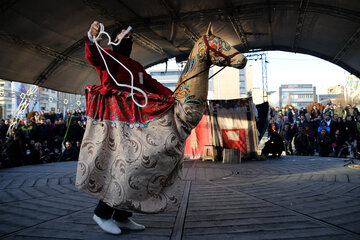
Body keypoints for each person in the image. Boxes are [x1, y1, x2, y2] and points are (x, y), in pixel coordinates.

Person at [83, 21, 173, 235]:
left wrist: (174, 97)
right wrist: (90, 37)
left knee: (138, 166)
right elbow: (92, 55)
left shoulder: (136, 66)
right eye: (125, 36)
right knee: (124, 167)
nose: (129, 40)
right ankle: (102, 213)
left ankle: (122, 216)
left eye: (131, 37)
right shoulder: (107, 57)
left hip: (135, 122)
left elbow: (151, 84)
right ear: (115, 40)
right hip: (116, 123)